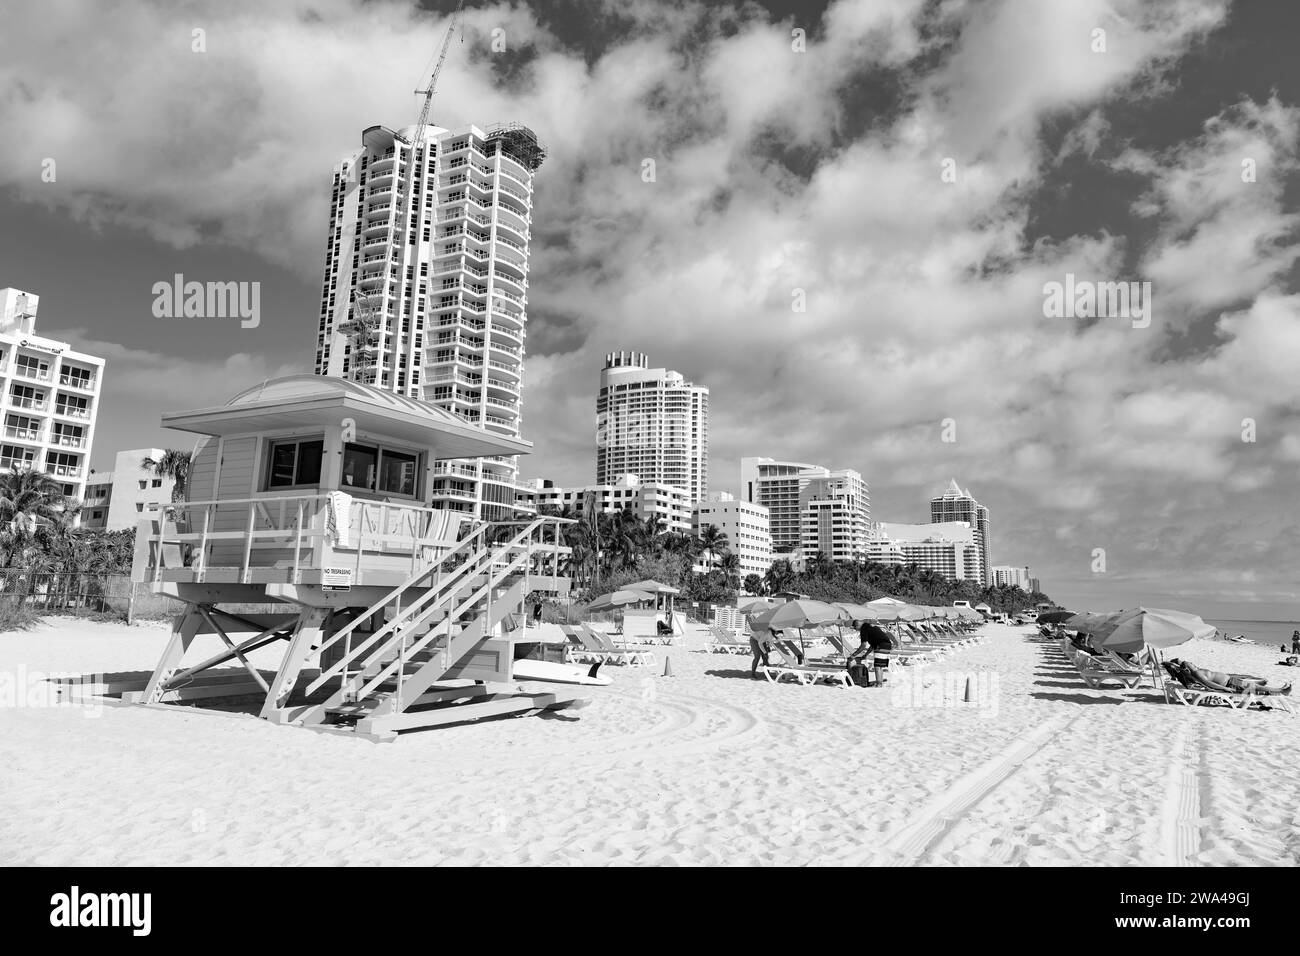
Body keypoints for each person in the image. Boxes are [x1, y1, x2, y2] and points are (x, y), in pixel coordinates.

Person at [849, 621, 894, 687]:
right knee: (879, 666)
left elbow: (863, 645)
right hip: (887, 645)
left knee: (877, 667)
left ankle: (879, 684)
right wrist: (866, 655)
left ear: (857, 625)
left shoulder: (864, 629)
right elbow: (872, 645)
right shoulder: (869, 627)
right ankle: (879, 682)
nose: (855, 630)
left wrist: (853, 655)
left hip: (881, 645)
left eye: (855, 628)